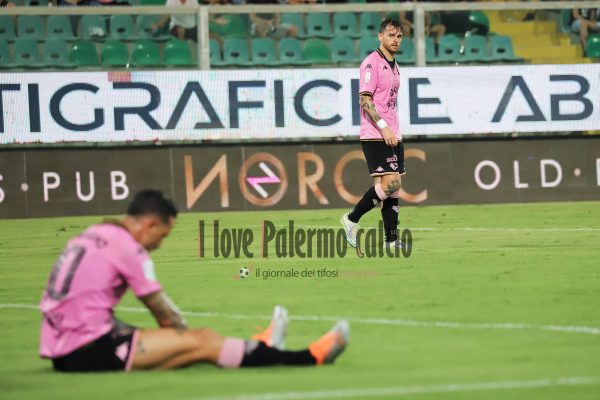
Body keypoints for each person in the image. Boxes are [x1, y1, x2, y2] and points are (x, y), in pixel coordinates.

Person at [39, 189, 349, 372]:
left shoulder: (93, 233)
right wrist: (188, 337)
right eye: (163, 235)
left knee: (190, 350)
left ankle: (259, 348)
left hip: (62, 344)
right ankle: (307, 357)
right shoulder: (128, 248)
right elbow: (165, 316)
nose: (160, 244)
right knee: (201, 341)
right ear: (150, 225)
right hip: (87, 349)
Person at [341, 18, 405, 250]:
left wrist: (393, 129)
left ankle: (391, 239)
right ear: (380, 36)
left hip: (393, 133)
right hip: (376, 132)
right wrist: (383, 126)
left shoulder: (394, 65)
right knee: (391, 183)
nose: (395, 40)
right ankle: (351, 219)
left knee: (394, 187)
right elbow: (364, 99)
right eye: (391, 35)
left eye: (399, 36)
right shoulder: (371, 63)